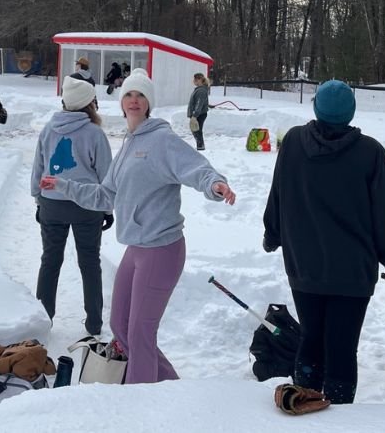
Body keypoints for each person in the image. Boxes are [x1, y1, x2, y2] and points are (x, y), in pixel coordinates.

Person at [40, 68, 236, 384]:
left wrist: (215, 184)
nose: (133, 100)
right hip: (137, 247)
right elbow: (106, 194)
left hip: (162, 248)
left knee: (140, 332)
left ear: (149, 102)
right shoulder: (129, 143)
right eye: (129, 94)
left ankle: (136, 408)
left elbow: (196, 168)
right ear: (121, 101)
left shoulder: (161, 139)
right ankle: (171, 389)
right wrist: (65, 186)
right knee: (121, 326)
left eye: (140, 95)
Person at [263, 80, 385, 405]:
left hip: (304, 265)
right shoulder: (371, 153)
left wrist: (273, 234)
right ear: (351, 112)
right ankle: (338, 413)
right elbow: (383, 213)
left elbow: (278, 194)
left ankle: (305, 405)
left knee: (311, 338)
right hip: (352, 272)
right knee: (341, 346)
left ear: (316, 107)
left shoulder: (294, 142)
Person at [31, 76, 114, 336]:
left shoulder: (49, 129)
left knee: (50, 261)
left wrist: (37, 198)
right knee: (90, 263)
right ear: (89, 103)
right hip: (86, 207)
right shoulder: (94, 133)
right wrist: (108, 209)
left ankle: (44, 319)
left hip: (52, 205)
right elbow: (106, 175)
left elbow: (38, 168)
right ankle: (94, 323)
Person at [187, 73, 210, 150]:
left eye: (195, 80)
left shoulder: (201, 91)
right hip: (198, 114)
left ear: (199, 80)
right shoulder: (200, 89)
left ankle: (200, 146)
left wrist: (194, 116)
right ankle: (200, 146)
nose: (193, 81)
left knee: (196, 130)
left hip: (199, 114)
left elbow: (199, 104)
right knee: (196, 130)